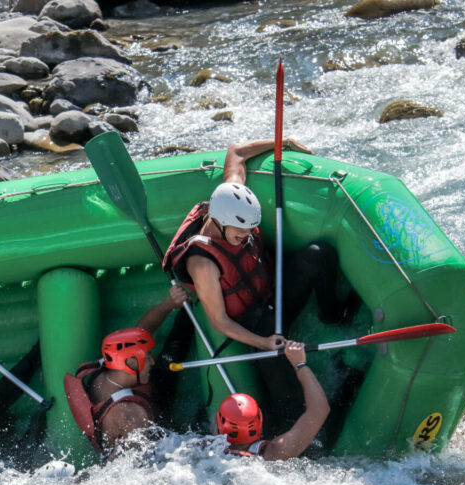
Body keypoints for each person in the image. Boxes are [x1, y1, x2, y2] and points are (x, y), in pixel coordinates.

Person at [161, 138, 358, 433]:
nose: (245, 237)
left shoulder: (231, 197)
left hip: (270, 293)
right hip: (251, 324)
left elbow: (236, 153)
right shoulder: (202, 263)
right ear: (220, 222)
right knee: (289, 398)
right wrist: (265, 343)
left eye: (247, 231)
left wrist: (285, 142)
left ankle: (332, 313)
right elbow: (221, 322)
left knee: (319, 255)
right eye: (240, 234)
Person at [64, 285, 190, 457]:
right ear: (131, 362)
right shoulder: (130, 414)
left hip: (134, 392)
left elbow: (142, 330)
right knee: (173, 355)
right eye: (148, 357)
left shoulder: (103, 374)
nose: (152, 362)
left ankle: (188, 312)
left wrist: (170, 303)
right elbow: (151, 462)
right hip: (150, 414)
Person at [217, 342, 329, 460]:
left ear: (220, 425)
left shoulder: (208, 450)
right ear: (259, 423)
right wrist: (300, 364)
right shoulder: (276, 452)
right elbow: (320, 410)